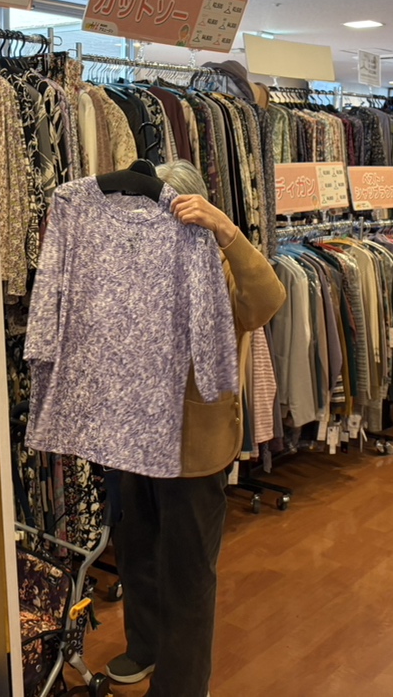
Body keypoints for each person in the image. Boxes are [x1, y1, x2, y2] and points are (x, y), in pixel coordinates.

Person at [106, 160, 286, 697]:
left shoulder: (221, 267)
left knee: (187, 570)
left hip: (195, 448)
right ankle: (145, 646)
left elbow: (267, 301)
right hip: (135, 439)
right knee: (137, 552)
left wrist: (226, 230)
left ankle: (184, 684)